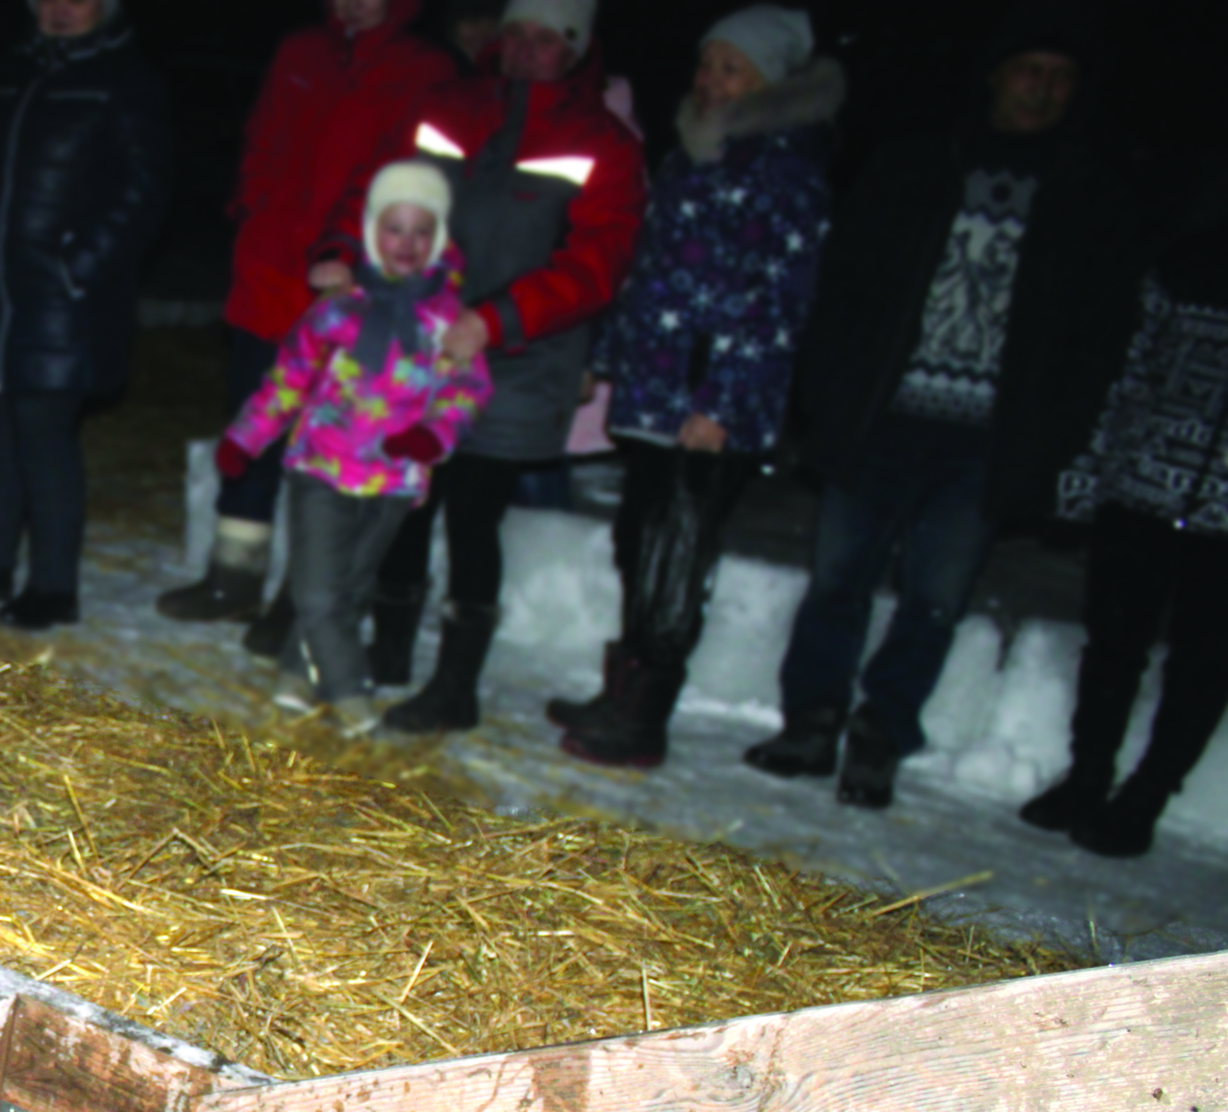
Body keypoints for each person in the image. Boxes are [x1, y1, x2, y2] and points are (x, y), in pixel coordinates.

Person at [742, 3, 1138, 808]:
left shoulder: (1085, 195)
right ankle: (811, 719)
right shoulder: (919, 164)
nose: (1043, 89)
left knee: (935, 595)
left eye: (1061, 79)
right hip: (883, 415)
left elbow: (1096, 332)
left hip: (988, 437)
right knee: (839, 578)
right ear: (997, 74)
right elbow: (844, 283)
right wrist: (826, 395)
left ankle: (882, 732)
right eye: (1031, 70)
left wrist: (1053, 435)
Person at [324, 0, 646, 736]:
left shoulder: (602, 142)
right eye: (518, 34)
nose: (528, 51)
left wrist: (495, 319)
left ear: (576, 49)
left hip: (517, 363)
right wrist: (342, 250)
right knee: (402, 502)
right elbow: (379, 186)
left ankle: (456, 685)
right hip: (418, 346)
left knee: (472, 514)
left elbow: (597, 263)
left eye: (547, 38)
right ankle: (391, 649)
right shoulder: (448, 106)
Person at [551, 6, 839, 767]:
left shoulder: (785, 169)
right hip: (654, 390)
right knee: (638, 540)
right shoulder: (693, 156)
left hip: (709, 406)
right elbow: (647, 273)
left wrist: (723, 403)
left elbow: (780, 301)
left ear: (769, 79)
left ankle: (644, 720)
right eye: (707, 64)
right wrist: (605, 355)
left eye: (731, 68)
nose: (710, 80)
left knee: (674, 558)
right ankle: (623, 691)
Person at [154, 0, 454, 627]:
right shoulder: (301, 50)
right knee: (254, 419)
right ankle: (233, 574)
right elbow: (263, 137)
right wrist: (250, 206)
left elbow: (396, 177)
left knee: (330, 441)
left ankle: (302, 597)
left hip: (345, 290)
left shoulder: (421, 69)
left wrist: (348, 251)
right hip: (267, 271)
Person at [217, 157, 492, 732]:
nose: (408, 243)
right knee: (317, 590)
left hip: (395, 479)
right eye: (395, 228)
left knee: (351, 587)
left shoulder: (449, 324)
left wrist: (432, 435)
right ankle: (349, 690)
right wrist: (247, 437)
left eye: (422, 231)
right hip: (321, 466)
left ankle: (298, 672)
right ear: (372, 232)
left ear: (439, 238)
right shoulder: (339, 311)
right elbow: (288, 379)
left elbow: (466, 391)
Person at [0, 0, 171, 631]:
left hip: (63, 294)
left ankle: (54, 585)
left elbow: (143, 191)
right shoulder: (4, 74)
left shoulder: (126, 79)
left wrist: (79, 266)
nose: (62, 9)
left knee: (43, 431)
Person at [1022, 218, 1228, 857]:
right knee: (1113, 644)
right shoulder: (1190, 263)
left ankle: (1145, 796)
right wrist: (1087, 477)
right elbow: (1125, 374)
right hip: (1139, 491)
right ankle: (1087, 778)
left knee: (1205, 664)